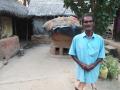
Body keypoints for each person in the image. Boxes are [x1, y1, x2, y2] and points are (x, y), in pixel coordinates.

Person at [69, 13, 105, 90]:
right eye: (85, 22)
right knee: (79, 87)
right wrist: (81, 64)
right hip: (81, 70)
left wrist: (93, 65)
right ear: (82, 24)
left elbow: (101, 56)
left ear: (93, 23)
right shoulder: (76, 39)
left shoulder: (100, 39)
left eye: (90, 21)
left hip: (93, 70)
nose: (88, 23)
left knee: (92, 85)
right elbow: (72, 53)